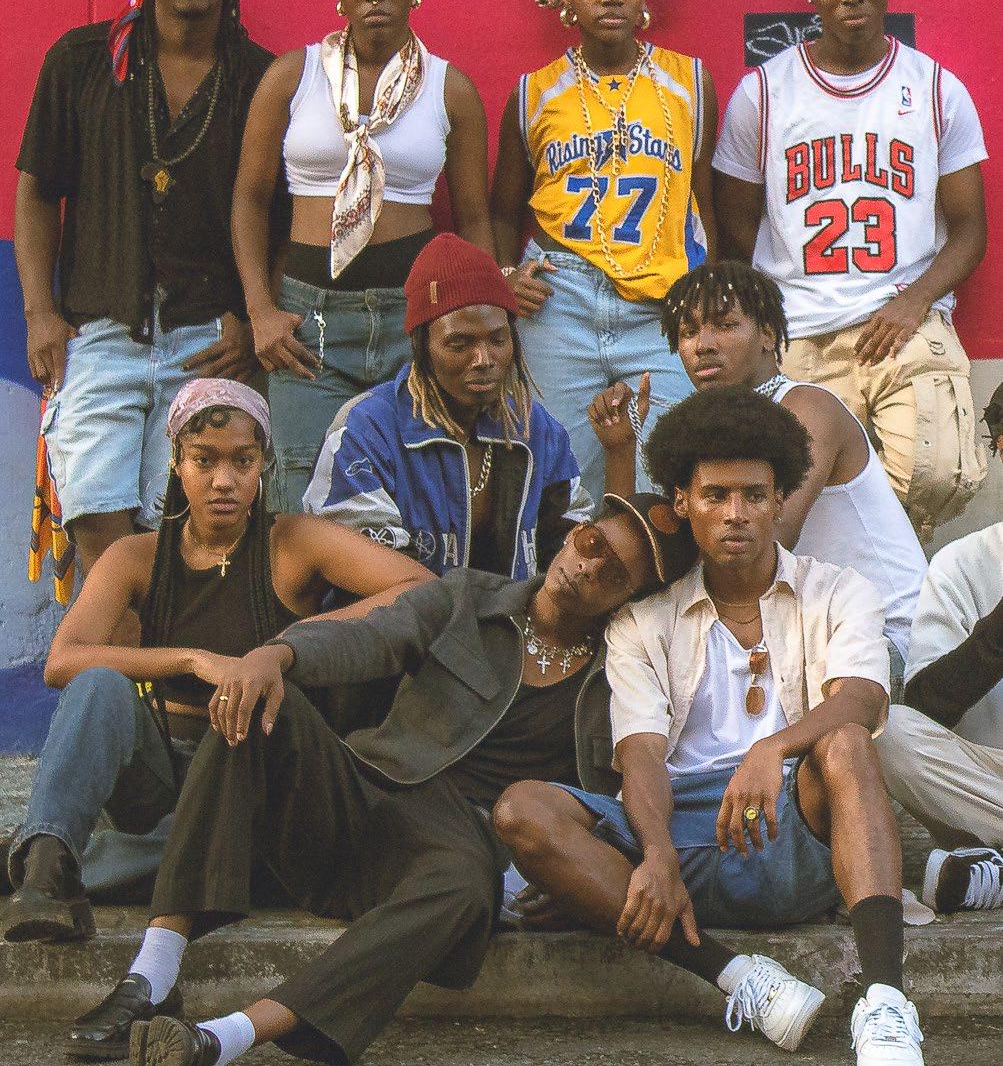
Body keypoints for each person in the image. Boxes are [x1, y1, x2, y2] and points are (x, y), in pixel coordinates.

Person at [71, 494, 822, 1066]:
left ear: (626, 598)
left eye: (613, 572)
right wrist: (278, 654)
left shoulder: (617, 678)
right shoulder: (467, 597)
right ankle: (153, 972)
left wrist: (568, 876)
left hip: (458, 846)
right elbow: (370, 637)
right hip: (366, 786)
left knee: (464, 892)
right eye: (591, 541)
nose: (588, 565)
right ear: (573, 531)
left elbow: (626, 788)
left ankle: (227, 1036)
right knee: (257, 700)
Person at [495, 388, 927, 1066]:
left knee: (844, 743)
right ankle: (738, 977)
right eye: (715, 495)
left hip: (796, 827)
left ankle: (884, 1003)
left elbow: (863, 700)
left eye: (754, 495)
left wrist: (771, 749)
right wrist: (656, 854)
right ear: (684, 501)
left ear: (780, 499)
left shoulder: (838, 590)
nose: (735, 514)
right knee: (523, 809)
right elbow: (640, 754)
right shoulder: (642, 622)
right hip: (683, 836)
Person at [0, 380, 431, 962]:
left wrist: (287, 646)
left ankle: (58, 860)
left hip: (250, 776)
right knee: (98, 684)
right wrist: (189, 658)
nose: (223, 481)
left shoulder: (292, 543)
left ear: (263, 466)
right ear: (177, 465)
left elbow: (418, 588)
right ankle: (48, 873)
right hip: (160, 774)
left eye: (242, 461)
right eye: (204, 461)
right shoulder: (137, 556)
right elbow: (63, 660)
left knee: (238, 854)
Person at [14, 0, 283, 575]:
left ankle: (161, 644)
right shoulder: (81, 62)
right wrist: (39, 312)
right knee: (93, 507)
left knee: (187, 518)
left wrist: (255, 318)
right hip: (97, 329)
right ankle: (124, 643)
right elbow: (37, 191)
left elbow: (285, 215)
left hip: (209, 336)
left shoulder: (263, 78)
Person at [712, 0, 989, 540]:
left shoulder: (935, 89)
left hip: (901, 317)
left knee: (939, 472)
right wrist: (775, 311)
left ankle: (881, 563)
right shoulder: (763, 93)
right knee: (793, 497)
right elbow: (735, 226)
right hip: (799, 327)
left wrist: (913, 300)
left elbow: (969, 228)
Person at [230, 0, 493, 513]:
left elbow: (474, 219)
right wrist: (260, 311)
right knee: (300, 501)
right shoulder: (292, 76)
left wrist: (479, 318)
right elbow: (248, 198)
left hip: (412, 319)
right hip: (307, 325)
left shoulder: (450, 89)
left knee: (415, 494)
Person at [592, 261, 927, 689]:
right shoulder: (715, 434)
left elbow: (763, 545)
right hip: (806, 634)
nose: (703, 345)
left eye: (725, 325)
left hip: (890, 640)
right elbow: (643, 549)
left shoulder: (808, 408)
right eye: (689, 332)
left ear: (768, 335)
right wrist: (621, 450)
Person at [490, 0, 716, 504]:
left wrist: (706, 294)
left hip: (663, 302)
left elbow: (701, 202)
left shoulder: (689, 82)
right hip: (559, 296)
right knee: (563, 481)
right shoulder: (534, 92)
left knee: (665, 479)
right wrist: (504, 276)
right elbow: (502, 209)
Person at [303, 232, 591, 577]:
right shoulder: (364, 430)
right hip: (399, 612)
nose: (484, 359)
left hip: (511, 611)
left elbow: (575, 547)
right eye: (459, 344)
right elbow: (379, 577)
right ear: (422, 346)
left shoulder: (536, 428)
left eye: (498, 339)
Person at [876, 382, 1003, 913]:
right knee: (889, 733)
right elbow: (925, 710)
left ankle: (992, 873)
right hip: (991, 783)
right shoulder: (963, 565)